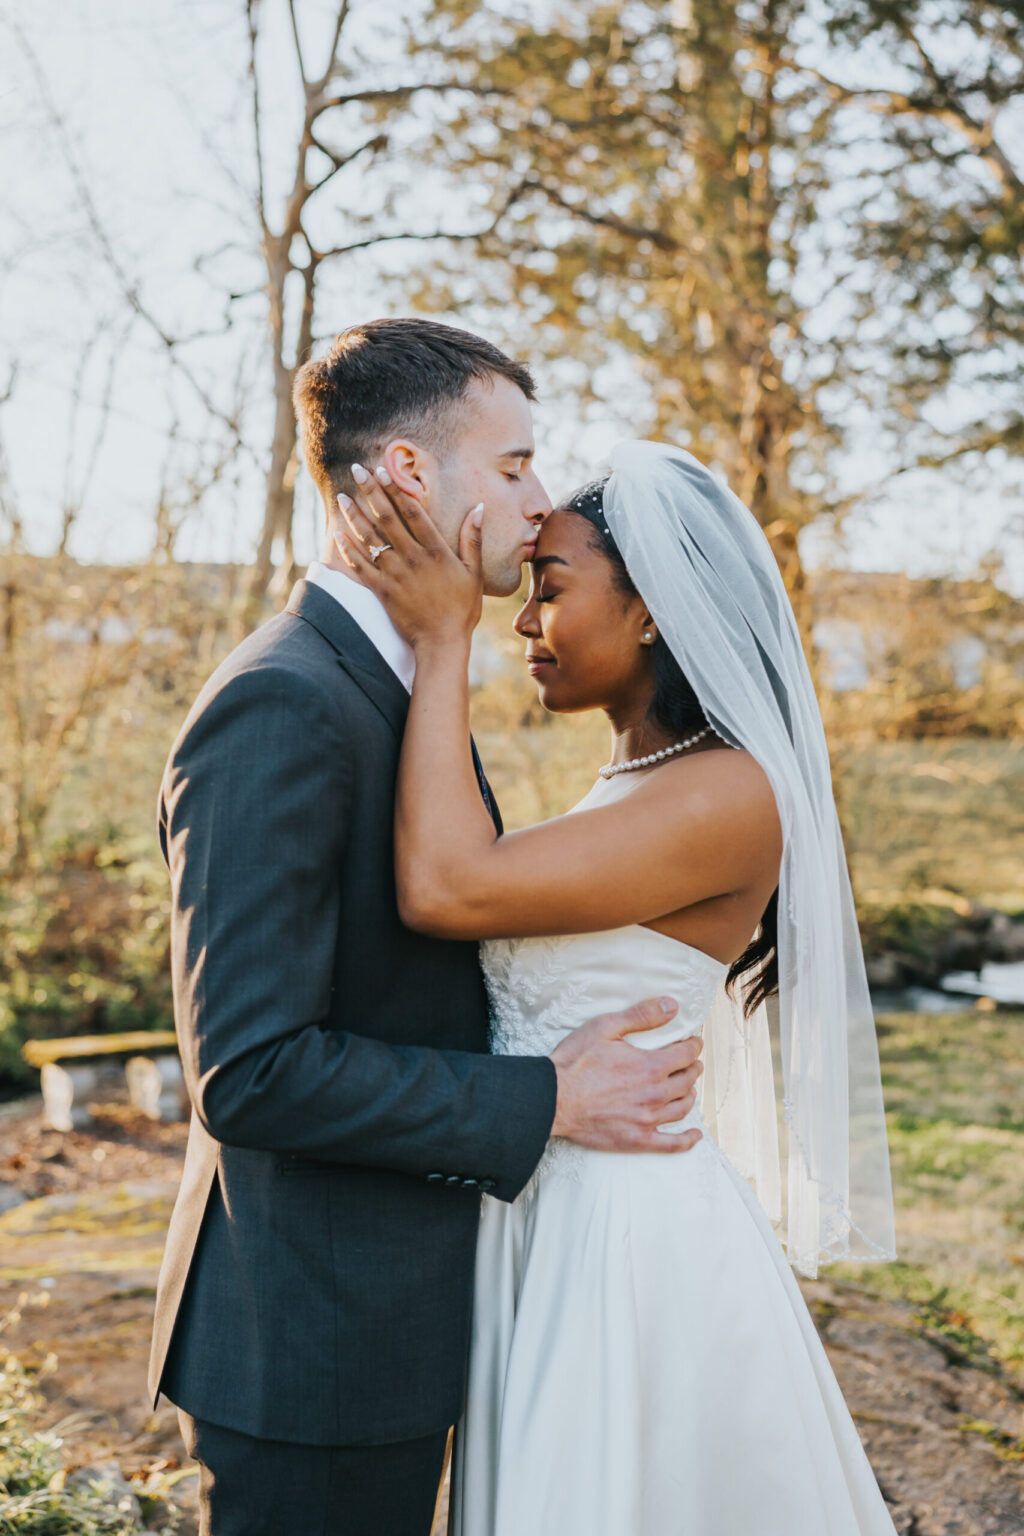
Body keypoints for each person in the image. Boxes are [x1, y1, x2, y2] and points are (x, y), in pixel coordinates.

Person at [149, 321, 708, 1536]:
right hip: (313, 1351)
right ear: (409, 472)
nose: (538, 499)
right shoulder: (283, 702)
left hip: (392, 1324)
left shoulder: (389, 686)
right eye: (512, 466)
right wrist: (542, 1100)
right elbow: (247, 1072)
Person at [334, 438, 899, 1535]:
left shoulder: (730, 789)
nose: (522, 622)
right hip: (548, 1214)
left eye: (549, 590)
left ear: (651, 609)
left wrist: (440, 638)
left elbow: (449, 886)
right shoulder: (634, 780)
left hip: (625, 1246)